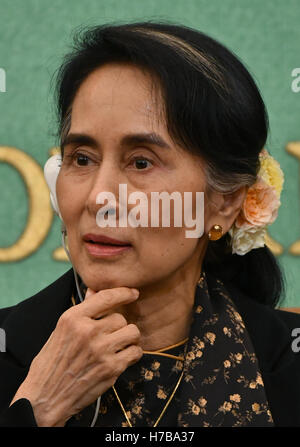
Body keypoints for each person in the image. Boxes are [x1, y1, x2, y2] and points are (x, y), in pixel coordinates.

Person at [0, 21, 299, 427]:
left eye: (141, 162)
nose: (98, 197)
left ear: (225, 203)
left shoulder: (285, 363)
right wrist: (37, 409)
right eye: (81, 159)